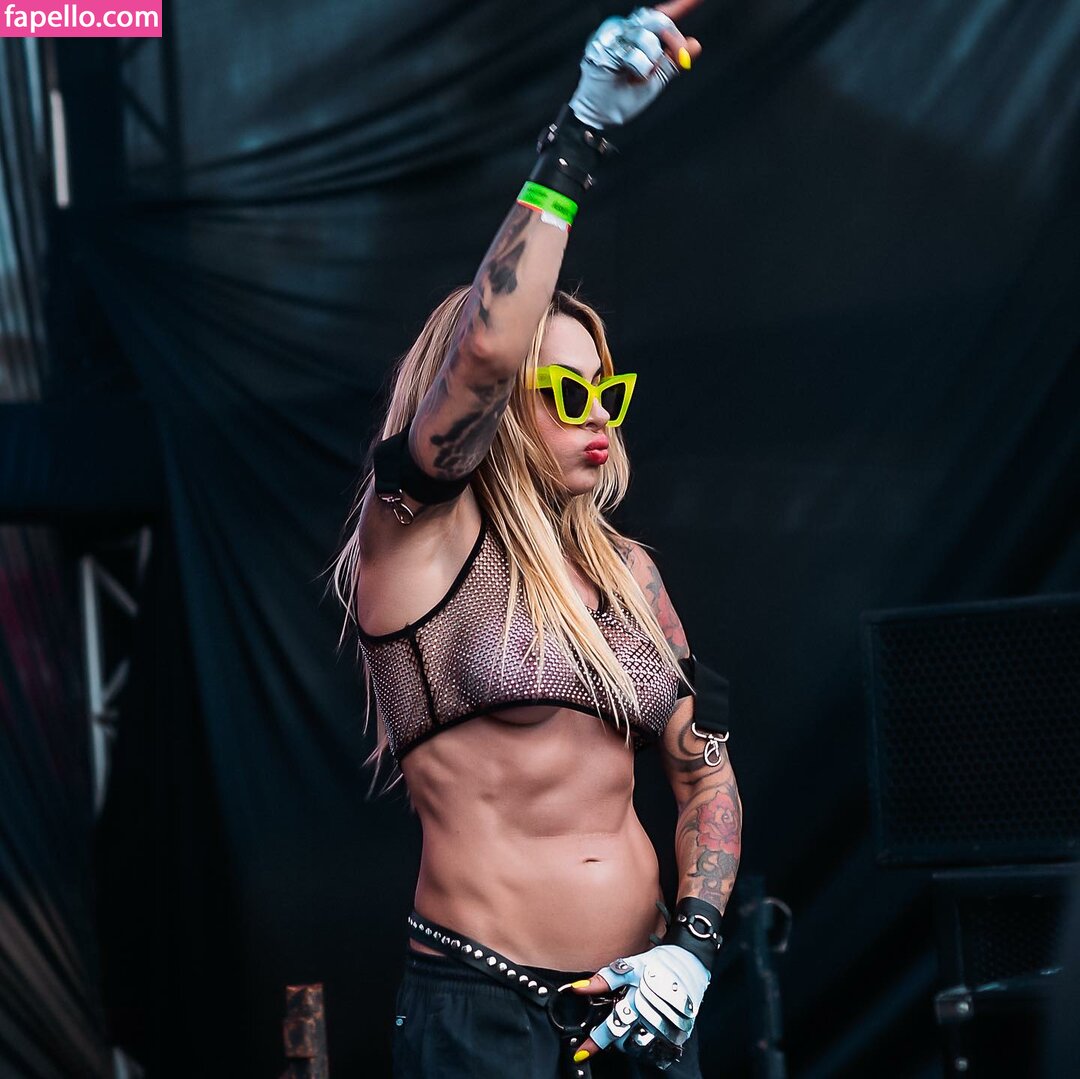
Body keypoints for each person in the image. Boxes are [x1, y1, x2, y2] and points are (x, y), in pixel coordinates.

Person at [331, 3, 741, 1075]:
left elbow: (705, 775)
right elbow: (483, 351)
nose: (597, 412)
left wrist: (692, 951)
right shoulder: (418, 545)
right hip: (484, 1012)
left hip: (640, 1006)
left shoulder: (629, 572)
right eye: (563, 390)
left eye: (608, 391)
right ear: (500, 409)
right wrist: (582, 131)